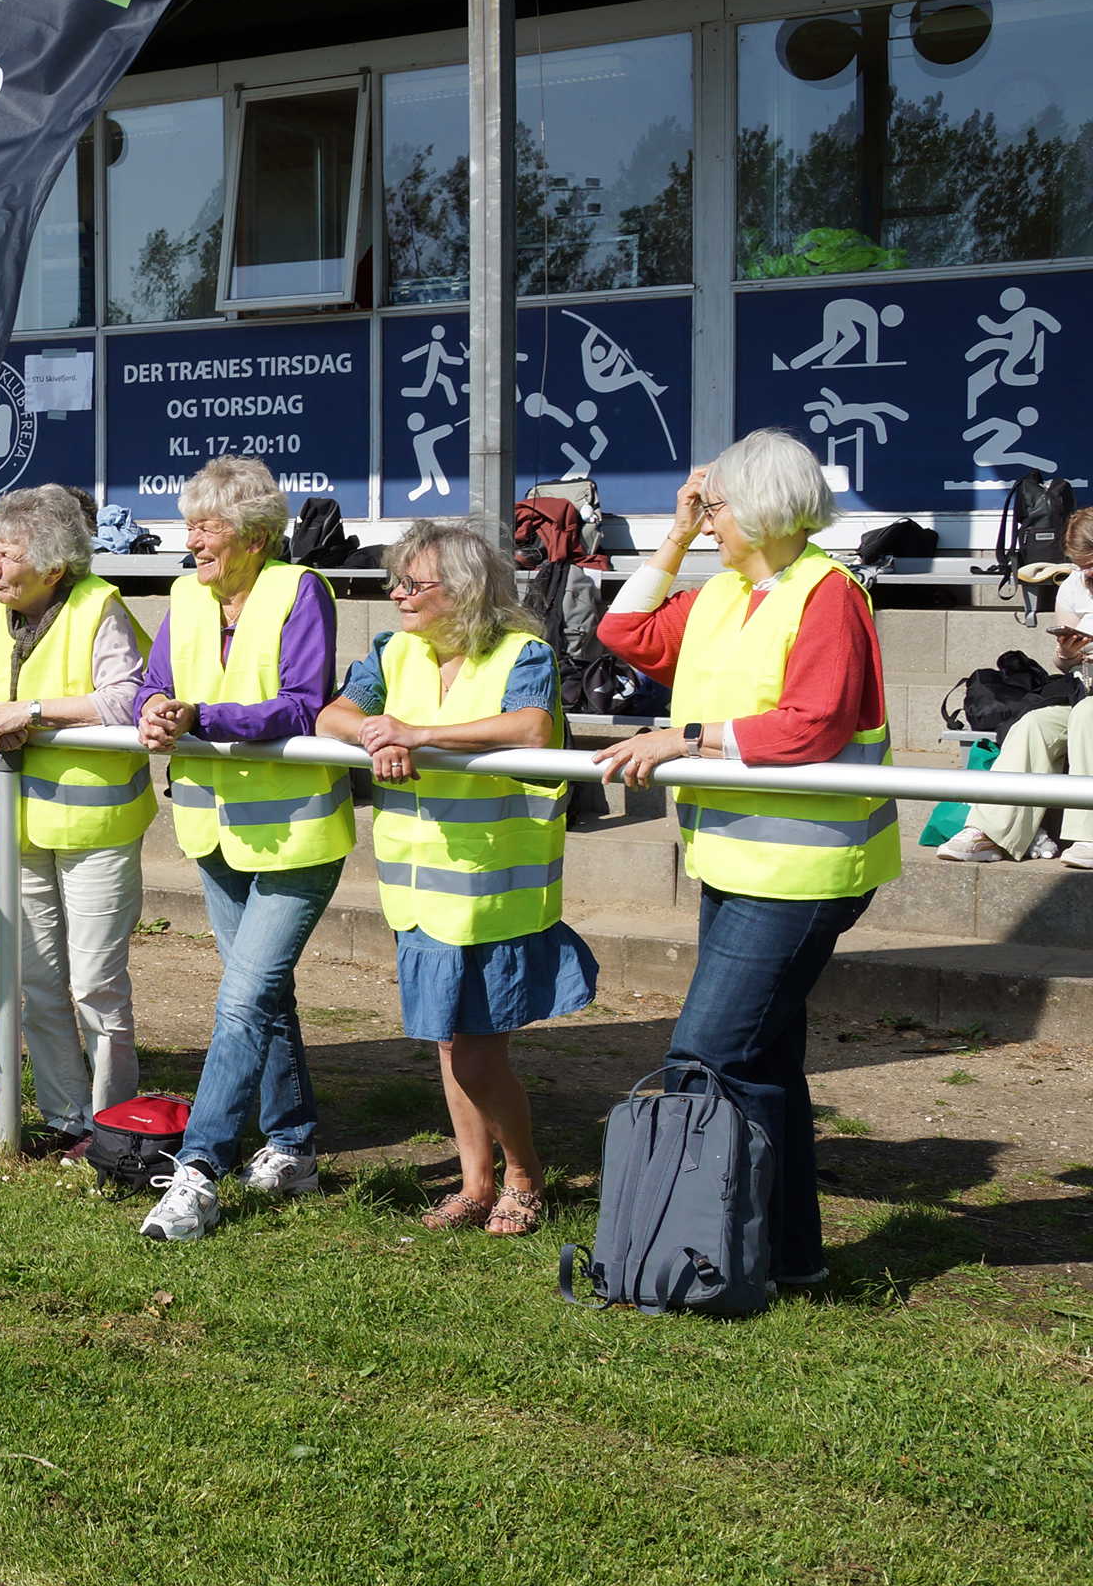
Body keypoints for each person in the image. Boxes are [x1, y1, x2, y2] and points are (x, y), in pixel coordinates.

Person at [594, 429, 900, 1291]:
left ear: (763, 508)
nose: (708, 520)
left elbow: (814, 724)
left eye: (716, 507)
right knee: (761, 1063)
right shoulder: (724, 591)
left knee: (707, 1053)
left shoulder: (828, 592)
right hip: (737, 861)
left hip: (803, 869)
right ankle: (786, 1260)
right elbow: (623, 630)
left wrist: (686, 737)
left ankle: (703, 1250)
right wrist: (674, 535)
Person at [320, 520, 595, 1237]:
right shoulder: (392, 649)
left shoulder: (523, 652)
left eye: (414, 583)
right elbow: (333, 715)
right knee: (449, 1045)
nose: (397, 594)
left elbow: (531, 728)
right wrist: (375, 730)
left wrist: (419, 736)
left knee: (474, 1055)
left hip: (495, 893)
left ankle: (525, 1174)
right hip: (419, 891)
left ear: (466, 590)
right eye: (396, 581)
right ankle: (477, 1184)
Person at [133, 458, 352, 1242]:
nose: (192, 541)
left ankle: (198, 1172)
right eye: (188, 525)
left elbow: (300, 705)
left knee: (241, 1002)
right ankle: (293, 1148)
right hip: (211, 828)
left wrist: (200, 717)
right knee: (263, 998)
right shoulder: (183, 597)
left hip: (296, 834)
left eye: (206, 526)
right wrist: (153, 710)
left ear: (255, 536)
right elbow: (152, 684)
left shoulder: (301, 591)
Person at [0, 485, 152, 1156]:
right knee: (36, 983)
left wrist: (33, 713)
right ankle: (67, 1118)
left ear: (52, 567)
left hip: (96, 833)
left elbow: (131, 696)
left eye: (8, 553)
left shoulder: (99, 606)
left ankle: (113, 1129)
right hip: (16, 831)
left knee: (96, 986)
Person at [940, 505, 1093, 866]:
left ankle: (1088, 835)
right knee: (1032, 724)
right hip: (1083, 687)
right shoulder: (1074, 585)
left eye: (1091, 565)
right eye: (1080, 565)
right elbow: (1064, 664)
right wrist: (1067, 654)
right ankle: (990, 832)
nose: (1085, 574)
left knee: (1087, 714)